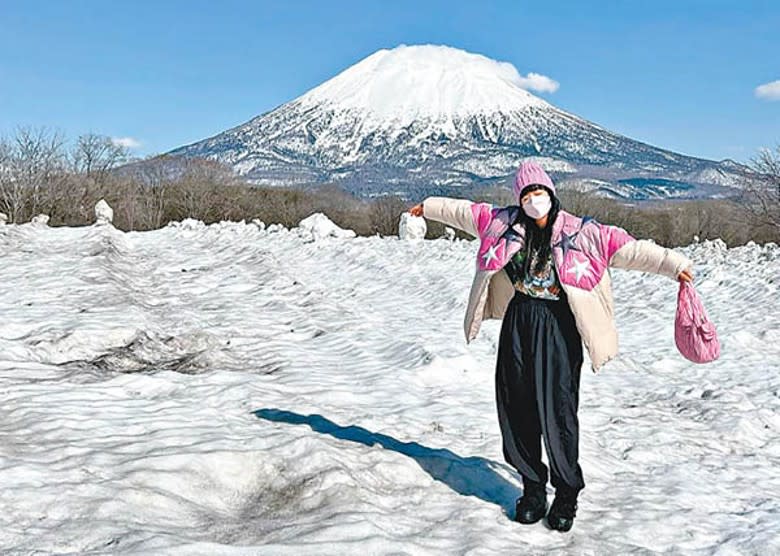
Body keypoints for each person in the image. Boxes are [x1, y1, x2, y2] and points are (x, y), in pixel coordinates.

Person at [407, 161, 693, 532]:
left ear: (551, 194)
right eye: (526, 194)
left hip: (559, 325)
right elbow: (462, 211)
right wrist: (426, 207)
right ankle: (532, 487)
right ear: (519, 199)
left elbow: (632, 249)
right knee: (516, 404)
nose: (533, 200)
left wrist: (675, 265)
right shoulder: (502, 223)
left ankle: (567, 492)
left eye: (538, 192)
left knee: (557, 409)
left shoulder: (583, 232)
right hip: (519, 319)